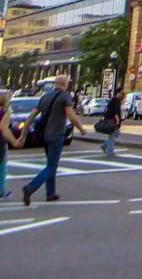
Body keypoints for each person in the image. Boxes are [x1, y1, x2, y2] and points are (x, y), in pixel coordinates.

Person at [21, 75, 86, 205]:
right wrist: (81, 128)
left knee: (51, 164)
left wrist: (23, 135)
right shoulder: (65, 96)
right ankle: (31, 187)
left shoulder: (45, 97)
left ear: (55, 83)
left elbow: (31, 117)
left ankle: (51, 193)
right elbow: (71, 115)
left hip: (45, 135)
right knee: (52, 166)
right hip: (57, 134)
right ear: (65, 84)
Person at [1, 90, 31, 198]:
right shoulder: (4, 112)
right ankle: (1, 191)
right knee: (2, 167)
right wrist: (14, 142)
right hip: (0, 142)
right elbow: (4, 128)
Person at [101, 86, 124, 156]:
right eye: (122, 93)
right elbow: (115, 111)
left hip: (112, 120)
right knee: (113, 135)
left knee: (116, 133)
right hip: (113, 121)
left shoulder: (116, 100)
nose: (123, 94)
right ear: (118, 93)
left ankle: (104, 146)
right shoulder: (115, 100)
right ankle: (110, 152)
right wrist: (117, 119)